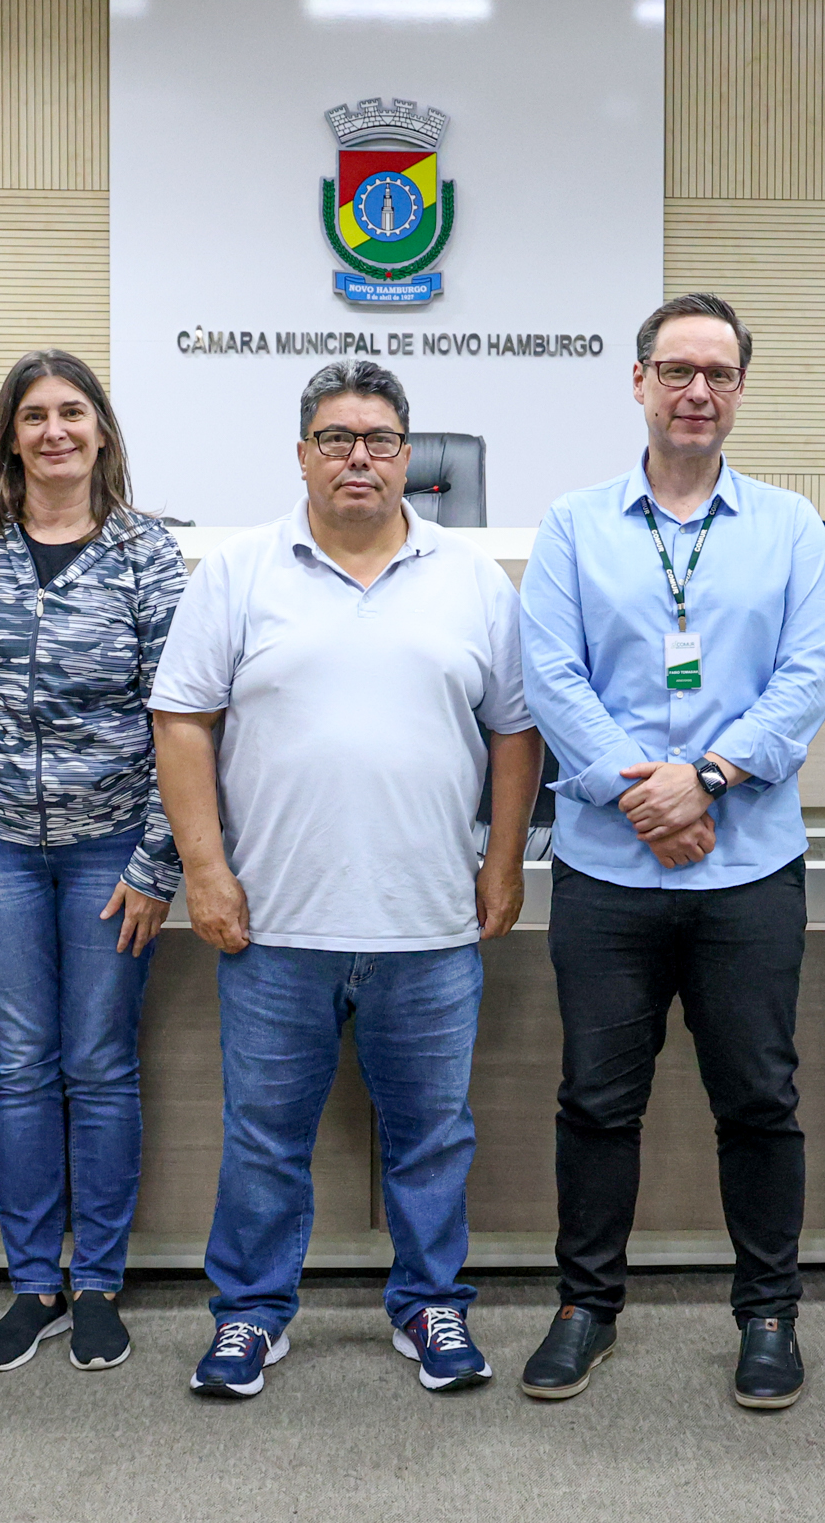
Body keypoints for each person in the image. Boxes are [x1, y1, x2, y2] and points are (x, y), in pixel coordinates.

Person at [150, 360, 542, 1401]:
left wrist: (503, 861)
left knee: (433, 1138)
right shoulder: (237, 573)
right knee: (263, 1140)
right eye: (335, 438)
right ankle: (250, 1315)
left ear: (409, 457)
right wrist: (205, 871)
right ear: (302, 455)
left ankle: (431, 1304)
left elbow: (515, 733)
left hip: (430, 922)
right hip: (275, 923)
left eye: (378, 440)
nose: (357, 457)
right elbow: (181, 723)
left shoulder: (471, 580)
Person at [515, 293, 825, 1409]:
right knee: (597, 1101)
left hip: (746, 869)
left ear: (741, 389)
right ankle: (585, 1307)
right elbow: (552, 677)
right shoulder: (573, 525)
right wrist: (643, 792)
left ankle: (768, 1313)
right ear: (639, 382)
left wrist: (700, 780)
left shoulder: (792, 528)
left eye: (718, 373)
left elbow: (806, 679)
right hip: (609, 873)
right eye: (676, 370)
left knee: (758, 1100)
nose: (697, 391)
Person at [0, 350, 184, 1375]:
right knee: (21, 1062)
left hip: (110, 845)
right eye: (34, 415)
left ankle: (99, 1284)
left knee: (99, 1060)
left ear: (101, 431)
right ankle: (34, 1281)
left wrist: (158, 861)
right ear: (11, 435)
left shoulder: (146, 551)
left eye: (72, 412)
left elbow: (184, 715)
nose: (54, 431)